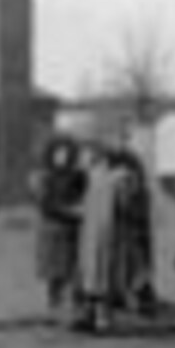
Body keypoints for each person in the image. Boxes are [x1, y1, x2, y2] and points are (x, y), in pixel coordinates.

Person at [28, 136, 87, 323]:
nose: (62, 157)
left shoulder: (78, 177)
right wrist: (72, 211)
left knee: (71, 272)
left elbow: (83, 197)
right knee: (55, 274)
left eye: (66, 153)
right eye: (59, 153)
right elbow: (45, 204)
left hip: (71, 232)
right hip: (52, 231)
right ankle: (55, 308)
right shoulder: (43, 177)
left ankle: (71, 309)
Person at [74, 141, 123, 334]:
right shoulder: (92, 178)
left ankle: (103, 318)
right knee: (91, 272)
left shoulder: (110, 178)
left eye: (85, 155)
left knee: (102, 272)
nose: (82, 160)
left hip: (105, 232)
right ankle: (90, 314)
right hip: (92, 231)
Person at [110, 145, 157, 317]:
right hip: (124, 240)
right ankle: (127, 296)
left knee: (137, 269)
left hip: (133, 240)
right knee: (129, 268)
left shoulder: (140, 194)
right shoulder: (121, 193)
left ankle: (139, 298)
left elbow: (139, 218)